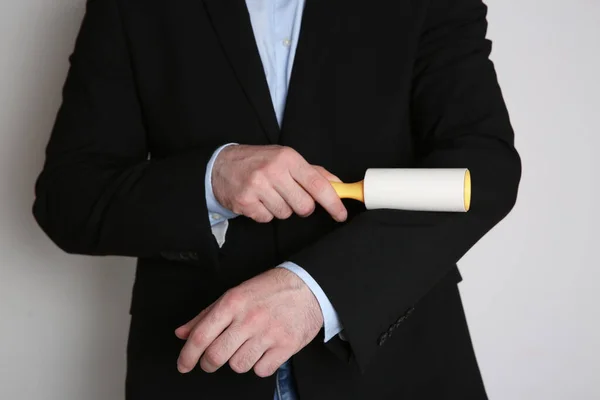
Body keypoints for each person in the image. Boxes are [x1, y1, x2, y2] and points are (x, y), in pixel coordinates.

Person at [32, 0, 522, 398]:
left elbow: (485, 169)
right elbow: (68, 197)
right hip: (197, 363)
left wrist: (318, 291)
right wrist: (210, 178)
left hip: (396, 365)